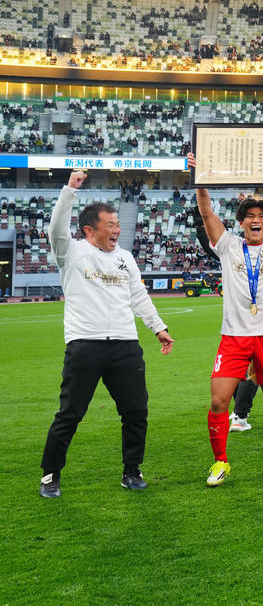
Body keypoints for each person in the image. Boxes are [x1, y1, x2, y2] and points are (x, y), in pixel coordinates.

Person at [40, 169, 175, 498]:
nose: (117, 229)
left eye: (117, 224)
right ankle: (50, 476)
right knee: (71, 413)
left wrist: (158, 328)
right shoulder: (71, 252)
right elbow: (56, 228)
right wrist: (69, 190)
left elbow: (139, 297)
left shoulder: (125, 258)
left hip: (126, 347)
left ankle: (132, 471)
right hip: (85, 345)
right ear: (90, 229)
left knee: (136, 412)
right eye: (110, 225)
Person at [191, 150, 263, 486]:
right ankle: (220, 463)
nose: (255, 220)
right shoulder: (227, 245)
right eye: (249, 216)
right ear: (241, 222)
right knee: (218, 400)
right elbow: (206, 211)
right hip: (234, 336)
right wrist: (198, 179)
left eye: (261, 216)